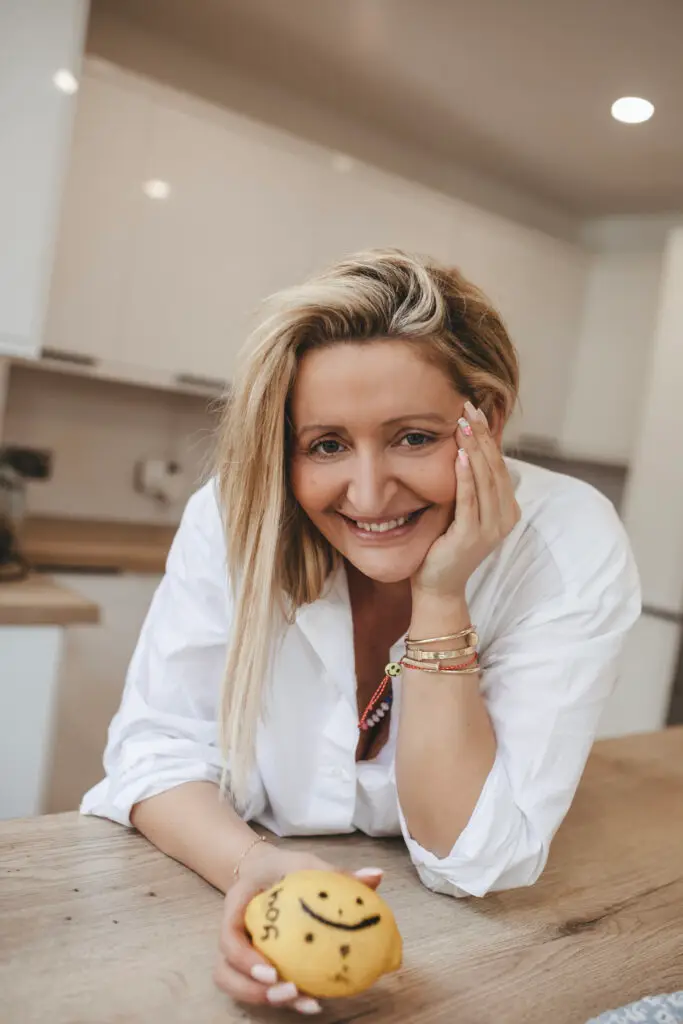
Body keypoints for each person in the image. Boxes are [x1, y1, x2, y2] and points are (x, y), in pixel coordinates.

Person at [82, 249, 641, 1015]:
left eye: (413, 437)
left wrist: (440, 597)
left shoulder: (569, 540)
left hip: (476, 956)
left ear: (488, 419)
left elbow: (471, 857)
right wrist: (253, 863)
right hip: (197, 902)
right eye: (326, 445)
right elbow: (153, 751)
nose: (370, 493)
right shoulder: (233, 513)